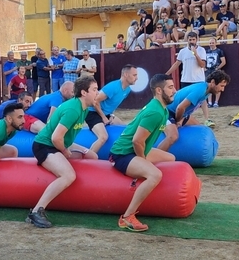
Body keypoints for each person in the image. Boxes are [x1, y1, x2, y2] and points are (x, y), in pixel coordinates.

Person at [27, 76, 100, 228]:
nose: (98, 93)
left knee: (89, 155)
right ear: (83, 92)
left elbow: (65, 137)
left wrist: (82, 150)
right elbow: (56, 138)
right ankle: (36, 211)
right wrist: (65, 151)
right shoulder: (73, 109)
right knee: (68, 175)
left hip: (57, 144)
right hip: (44, 146)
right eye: (94, 90)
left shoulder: (83, 109)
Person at [108, 74, 177, 232]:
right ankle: (127, 217)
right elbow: (137, 141)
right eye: (171, 87)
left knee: (171, 158)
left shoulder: (162, 109)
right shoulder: (155, 112)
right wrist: (143, 160)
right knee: (155, 175)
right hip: (122, 154)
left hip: (135, 150)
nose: (175, 91)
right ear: (159, 90)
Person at [160, 70, 231, 151]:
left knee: (200, 129)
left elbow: (185, 109)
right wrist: (178, 121)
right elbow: (180, 108)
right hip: (166, 111)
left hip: (178, 112)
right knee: (173, 136)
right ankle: (155, 158)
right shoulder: (200, 90)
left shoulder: (207, 91)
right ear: (213, 82)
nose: (223, 89)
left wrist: (182, 119)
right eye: (221, 86)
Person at [86, 64, 138, 156]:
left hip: (106, 113)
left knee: (126, 129)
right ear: (126, 75)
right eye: (134, 75)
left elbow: (111, 105)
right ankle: (87, 159)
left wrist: (111, 115)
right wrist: (103, 117)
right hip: (92, 112)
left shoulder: (127, 90)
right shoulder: (113, 87)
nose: (136, 78)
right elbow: (95, 101)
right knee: (103, 137)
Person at [166, 32, 212, 127]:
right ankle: (184, 119)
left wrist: (196, 54)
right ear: (187, 40)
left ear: (197, 40)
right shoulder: (183, 51)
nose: (192, 42)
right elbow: (176, 64)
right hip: (186, 79)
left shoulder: (201, 50)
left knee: (202, 100)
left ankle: (207, 119)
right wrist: (167, 74)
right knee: (185, 101)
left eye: (193, 40)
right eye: (190, 40)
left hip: (198, 79)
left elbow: (202, 65)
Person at [205, 38, 226, 108]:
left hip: (216, 71)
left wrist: (218, 68)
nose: (211, 44)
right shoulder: (206, 51)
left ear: (216, 43)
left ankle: (216, 102)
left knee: (218, 86)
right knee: (209, 86)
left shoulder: (219, 51)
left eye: (212, 43)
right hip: (208, 70)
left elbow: (223, 61)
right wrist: (204, 68)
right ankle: (210, 102)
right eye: (210, 43)